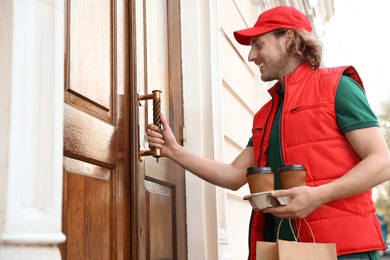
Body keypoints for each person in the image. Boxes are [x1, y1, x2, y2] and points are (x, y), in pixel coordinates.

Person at [146, 5, 390, 260]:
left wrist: (318, 196)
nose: (251, 56)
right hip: (283, 251)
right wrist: (174, 151)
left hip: (343, 251)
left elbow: (382, 162)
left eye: (258, 44)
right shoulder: (266, 114)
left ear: (288, 40)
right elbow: (234, 175)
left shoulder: (338, 86)